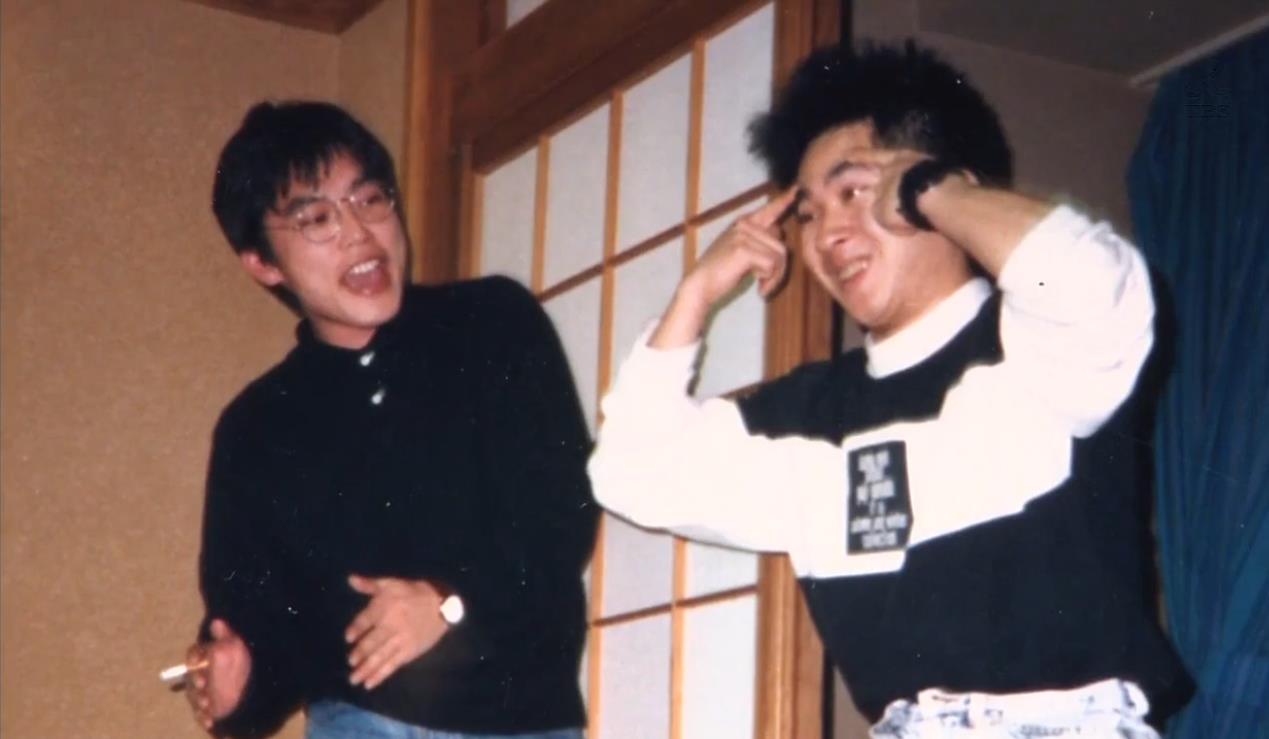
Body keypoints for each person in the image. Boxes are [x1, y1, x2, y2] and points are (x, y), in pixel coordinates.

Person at [588, 42, 1192, 737]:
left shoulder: (1039, 347)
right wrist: (696, 293)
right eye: (808, 213)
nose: (827, 234)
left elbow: (1091, 281)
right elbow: (629, 471)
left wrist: (937, 191)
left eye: (854, 192)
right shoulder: (803, 415)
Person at [184, 101, 597, 739]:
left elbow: (562, 512)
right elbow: (259, 625)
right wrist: (236, 687)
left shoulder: (493, 322)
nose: (359, 232)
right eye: (317, 218)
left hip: (519, 722)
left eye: (370, 199)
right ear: (263, 262)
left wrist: (450, 600)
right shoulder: (255, 427)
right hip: (359, 724)